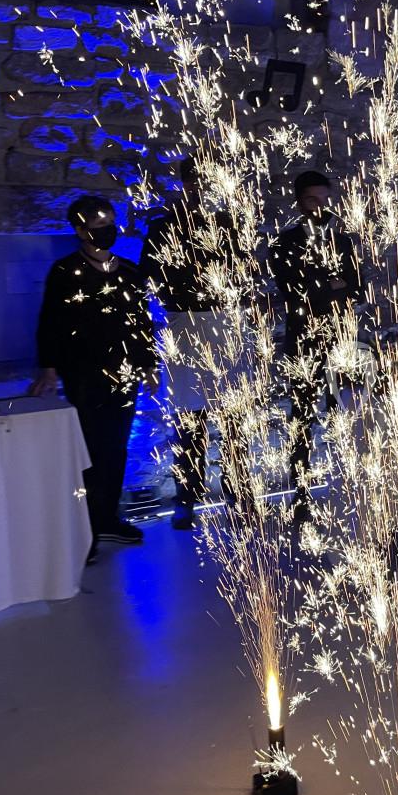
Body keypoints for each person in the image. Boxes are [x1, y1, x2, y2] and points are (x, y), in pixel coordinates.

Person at [30, 195, 156, 563]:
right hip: (84, 374)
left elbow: (142, 323)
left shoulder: (129, 272)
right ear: (80, 229)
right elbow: (50, 323)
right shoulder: (65, 272)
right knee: (87, 451)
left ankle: (106, 519)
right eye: (99, 224)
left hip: (125, 373)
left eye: (110, 222)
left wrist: (148, 364)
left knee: (116, 448)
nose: (107, 230)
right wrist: (49, 368)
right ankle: (83, 528)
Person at [144, 156, 244, 530]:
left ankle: (240, 493)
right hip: (182, 323)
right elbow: (151, 275)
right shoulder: (164, 228)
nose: (201, 187)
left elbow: (243, 272)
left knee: (234, 416)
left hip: (224, 323)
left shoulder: (229, 225)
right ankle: (188, 496)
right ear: (185, 182)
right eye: (195, 180)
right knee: (189, 419)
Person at [268, 170, 362, 521]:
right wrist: (331, 284)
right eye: (312, 201)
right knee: (302, 418)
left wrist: (325, 285)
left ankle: (349, 486)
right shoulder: (284, 243)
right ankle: (301, 493)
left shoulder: (343, 240)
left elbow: (356, 288)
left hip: (341, 340)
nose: (320, 207)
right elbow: (294, 291)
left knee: (344, 413)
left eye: (325, 200)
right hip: (303, 343)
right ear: (300, 202)